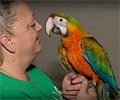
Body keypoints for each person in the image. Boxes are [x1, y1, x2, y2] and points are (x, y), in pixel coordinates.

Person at [0, 0, 97, 99]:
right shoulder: (9, 93)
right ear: (8, 41)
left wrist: (65, 95)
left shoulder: (33, 72)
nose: (40, 27)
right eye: (32, 25)